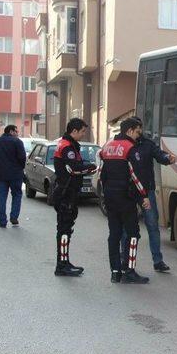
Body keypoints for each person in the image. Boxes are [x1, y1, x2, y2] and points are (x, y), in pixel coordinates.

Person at [119, 116, 175, 273]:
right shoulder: (122, 145)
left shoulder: (147, 144)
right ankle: (124, 259)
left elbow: (159, 155)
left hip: (147, 191)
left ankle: (158, 261)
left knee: (152, 225)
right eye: (138, 129)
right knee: (126, 227)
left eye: (141, 128)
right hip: (128, 191)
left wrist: (167, 158)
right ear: (131, 129)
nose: (140, 132)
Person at [100, 118, 151, 284]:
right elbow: (135, 177)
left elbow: (102, 175)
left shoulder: (107, 147)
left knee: (114, 235)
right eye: (137, 132)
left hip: (110, 198)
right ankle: (129, 270)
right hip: (126, 198)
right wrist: (143, 196)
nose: (138, 136)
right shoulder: (130, 148)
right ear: (129, 131)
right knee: (133, 234)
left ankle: (115, 272)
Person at [52, 118, 97, 277]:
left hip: (68, 192)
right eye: (83, 131)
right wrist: (90, 167)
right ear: (74, 131)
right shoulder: (66, 146)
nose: (84, 134)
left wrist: (85, 169)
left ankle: (65, 261)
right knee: (64, 230)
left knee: (66, 229)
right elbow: (73, 168)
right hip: (66, 193)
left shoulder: (69, 145)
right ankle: (62, 265)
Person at [0, 125, 26, 228]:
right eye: (16, 131)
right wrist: (20, 168)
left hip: (1, 174)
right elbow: (22, 158)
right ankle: (14, 217)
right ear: (11, 131)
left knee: (1, 197)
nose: (17, 133)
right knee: (17, 195)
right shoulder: (17, 142)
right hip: (16, 174)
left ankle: (2, 221)